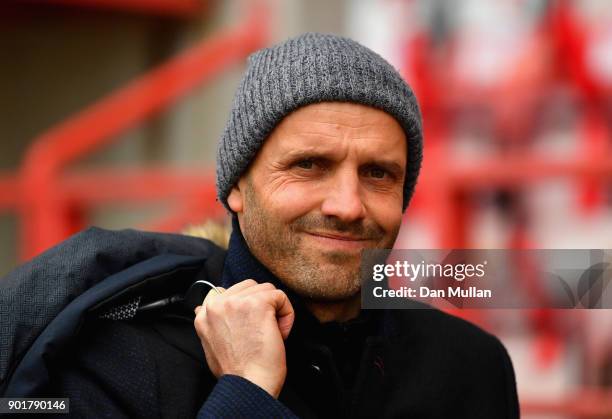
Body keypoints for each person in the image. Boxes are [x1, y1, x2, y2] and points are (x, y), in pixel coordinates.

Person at [0, 33, 519, 418]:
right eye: (309, 165)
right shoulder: (118, 360)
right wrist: (247, 392)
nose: (347, 204)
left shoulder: (470, 365)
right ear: (236, 188)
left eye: (378, 174)